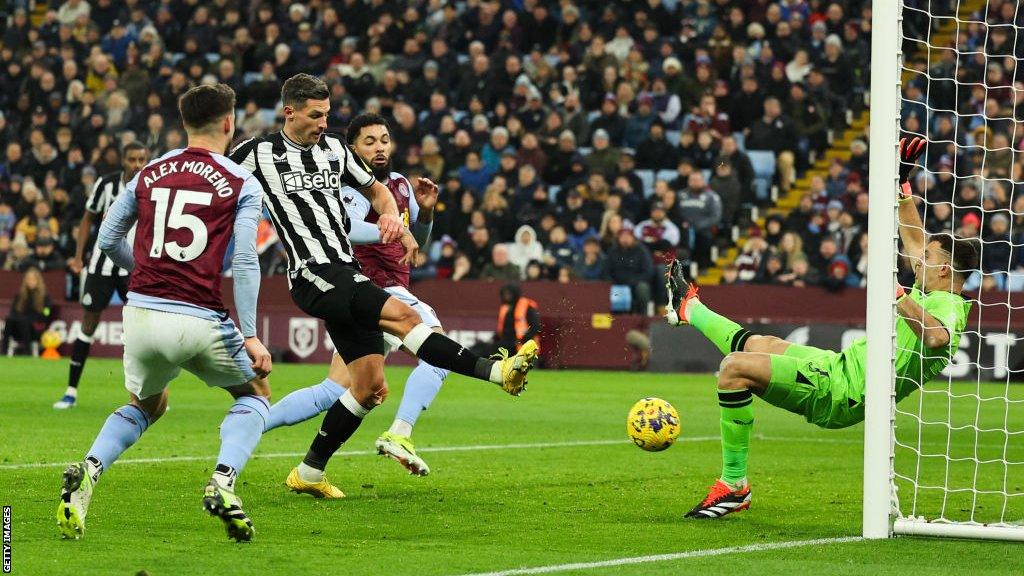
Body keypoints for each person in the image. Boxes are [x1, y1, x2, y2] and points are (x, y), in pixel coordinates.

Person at [229, 74, 538, 499]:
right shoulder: (256, 153)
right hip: (313, 270)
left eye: (327, 114)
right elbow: (214, 182)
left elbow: (378, 192)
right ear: (290, 112)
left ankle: (309, 472)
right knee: (408, 318)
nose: (323, 123)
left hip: (343, 271)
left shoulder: (335, 149)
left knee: (368, 387)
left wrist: (393, 215)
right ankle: (497, 371)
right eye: (316, 115)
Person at [663, 137, 977, 519]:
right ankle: (689, 308)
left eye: (927, 257)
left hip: (843, 393)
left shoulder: (949, 307)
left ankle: (734, 485)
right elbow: (914, 240)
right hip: (838, 366)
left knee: (733, 368)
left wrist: (896, 295)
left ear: (944, 269)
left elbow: (936, 337)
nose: (916, 258)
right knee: (761, 343)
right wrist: (902, 187)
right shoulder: (930, 286)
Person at [56, 84, 273, 542]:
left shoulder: (149, 171)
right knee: (255, 394)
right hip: (198, 316)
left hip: (140, 315)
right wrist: (251, 335)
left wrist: (151, 272)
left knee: (149, 404)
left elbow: (106, 240)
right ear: (230, 123)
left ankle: (90, 469)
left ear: (184, 123)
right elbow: (248, 260)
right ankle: (224, 481)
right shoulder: (241, 180)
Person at [54, 141, 150, 409]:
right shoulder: (106, 185)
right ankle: (71, 391)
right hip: (100, 266)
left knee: (142, 330)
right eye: (132, 159)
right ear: (123, 160)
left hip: (134, 268)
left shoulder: (153, 185)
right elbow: (88, 217)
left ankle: (149, 396)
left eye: (141, 159)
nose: (137, 165)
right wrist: (77, 255)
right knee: (88, 324)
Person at [2, 266, 52, 356]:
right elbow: (13, 311)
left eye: (33, 279)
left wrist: (40, 318)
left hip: (36, 328)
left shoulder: (45, 296)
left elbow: (47, 312)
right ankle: (3, 351)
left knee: (24, 321)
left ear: (38, 281)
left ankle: (27, 351)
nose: (30, 281)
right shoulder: (20, 295)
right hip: (19, 327)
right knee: (9, 319)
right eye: (28, 279)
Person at [495, 284, 540, 353]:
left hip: (526, 348)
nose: (506, 296)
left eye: (509, 294)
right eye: (505, 294)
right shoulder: (505, 308)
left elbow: (535, 326)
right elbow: (502, 329)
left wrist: (523, 340)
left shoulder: (526, 305)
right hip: (508, 348)